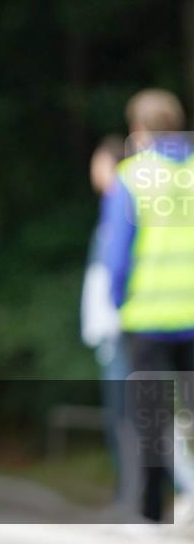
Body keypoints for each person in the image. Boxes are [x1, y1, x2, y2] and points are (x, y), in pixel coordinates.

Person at [99, 88, 194, 523]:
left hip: (150, 317)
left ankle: (155, 514)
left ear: (139, 129)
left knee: (153, 418)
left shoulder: (132, 176)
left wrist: (119, 304)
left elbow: (116, 254)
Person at [80, 135, 129, 501]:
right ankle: (129, 494)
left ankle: (135, 496)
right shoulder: (112, 208)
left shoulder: (123, 205)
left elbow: (113, 272)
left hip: (123, 329)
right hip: (114, 331)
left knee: (128, 415)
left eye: (98, 162)